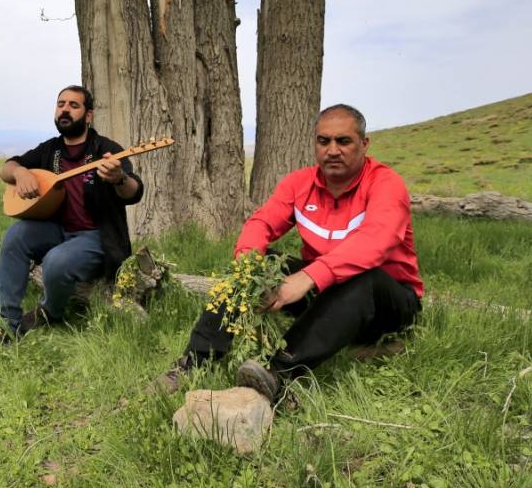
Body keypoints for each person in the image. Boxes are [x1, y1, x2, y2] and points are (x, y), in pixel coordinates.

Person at [156, 104, 423, 401]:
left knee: (364, 278)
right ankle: (194, 363)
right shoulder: (300, 183)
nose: (332, 150)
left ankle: (277, 374)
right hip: (328, 291)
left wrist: (309, 276)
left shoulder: (386, 184)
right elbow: (262, 222)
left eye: (343, 141)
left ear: (364, 144)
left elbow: (377, 240)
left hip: (388, 302)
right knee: (257, 262)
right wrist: (248, 265)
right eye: (324, 141)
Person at [0, 86, 144, 352]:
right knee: (15, 237)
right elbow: (7, 168)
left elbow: (135, 192)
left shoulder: (106, 149)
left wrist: (119, 178)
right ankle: (4, 322)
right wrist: (22, 173)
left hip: (95, 237)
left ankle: (49, 312)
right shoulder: (51, 150)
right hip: (57, 230)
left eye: (73, 105)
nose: (65, 110)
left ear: (89, 115)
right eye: (61, 104)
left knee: (56, 261)